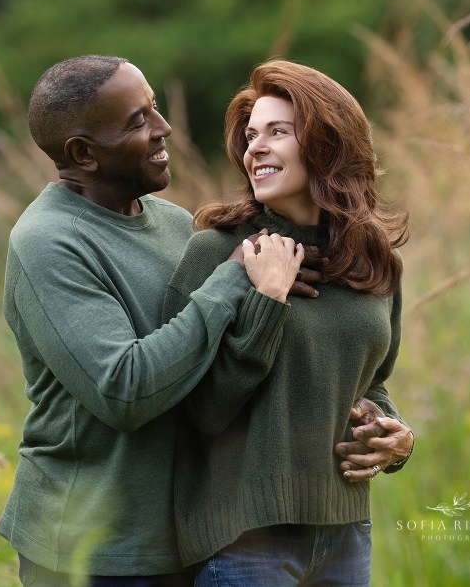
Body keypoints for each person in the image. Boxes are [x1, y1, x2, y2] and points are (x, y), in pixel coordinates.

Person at [0, 54, 309, 586]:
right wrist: (234, 278)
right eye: (138, 121)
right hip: (92, 551)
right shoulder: (48, 242)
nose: (164, 129)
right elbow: (125, 390)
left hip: (190, 538)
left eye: (155, 109)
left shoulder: (173, 224)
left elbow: (224, 365)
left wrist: (382, 422)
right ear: (83, 154)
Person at [163, 59, 415, 585]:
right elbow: (199, 410)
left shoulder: (373, 263)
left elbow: (371, 381)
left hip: (347, 535)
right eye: (252, 135)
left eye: (278, 132)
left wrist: (396, 440)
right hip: (245, 543)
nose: (255, 147)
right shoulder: (219, 253)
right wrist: (268, 299)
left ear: (328, 145)